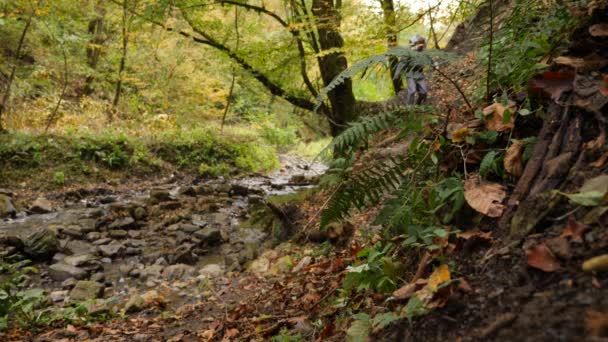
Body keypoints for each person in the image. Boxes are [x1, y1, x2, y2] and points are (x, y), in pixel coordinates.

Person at [394, 35, 428, 105]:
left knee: (424, 92)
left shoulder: (424, 52)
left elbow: (429, 59)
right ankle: (409, 108)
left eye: (422, 43)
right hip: (410, 75)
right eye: (419, 43)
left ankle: (419, 105)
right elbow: (401, 63)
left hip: (420, 75)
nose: (421, 45)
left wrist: (435, 64)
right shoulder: (408, 52)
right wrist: (397, 74)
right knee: (412, 91)